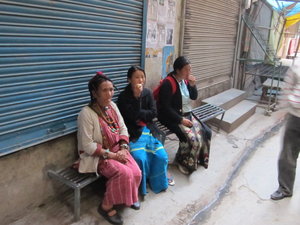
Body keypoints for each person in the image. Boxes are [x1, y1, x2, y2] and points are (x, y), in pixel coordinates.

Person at [77, 71, 142, 225]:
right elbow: (87, 145)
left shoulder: (112, 106)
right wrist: (113, 156)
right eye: (104, 90)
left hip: (117, 150)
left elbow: (122, 127)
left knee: (136, 172)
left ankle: (129, 196)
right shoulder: (86, 114)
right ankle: (105, 206)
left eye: (111, 89)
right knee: (124, 173)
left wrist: (123, 148)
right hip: (98, 156)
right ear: (95, 93)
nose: (109, 94)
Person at [117, 66, 172, 196]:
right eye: (137, 77)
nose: (140, 80)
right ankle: (141, 185)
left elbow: (153, 113)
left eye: (142, 76)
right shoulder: (123, 97)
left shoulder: (147, 93)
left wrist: (140, 113)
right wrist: (136, 98)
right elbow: (130, 117)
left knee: (162, 156)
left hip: (149, 130)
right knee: (139, 158)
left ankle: (157, 181)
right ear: (129, 79)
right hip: (133, 133)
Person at [157, 56, 211, 175]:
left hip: (187, 114)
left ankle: (198, 160)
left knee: (206, 132)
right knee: (192, 139)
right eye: (186, 69)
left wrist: (193, 85)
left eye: (190, 69)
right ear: (177, 70)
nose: (189, 72)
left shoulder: (185, 81)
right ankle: (183, 162)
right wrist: (181, 120)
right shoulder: (168, 83)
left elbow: (193, 97)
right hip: (172, 117)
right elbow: (165, 108)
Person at [271, 65, 300, 200]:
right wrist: (282, 110)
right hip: (296, 116)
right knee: (287, 155)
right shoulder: (297, 67)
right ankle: (285, 188)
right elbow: (287, 89)